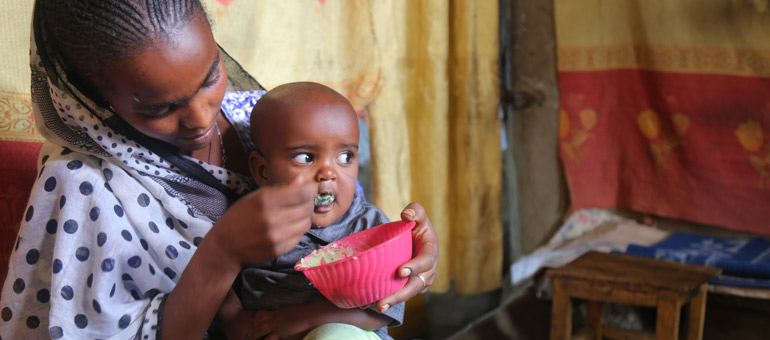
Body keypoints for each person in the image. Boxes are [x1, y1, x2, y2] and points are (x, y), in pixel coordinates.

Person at [0, 1, 439, 339]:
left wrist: (405, 255)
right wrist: (223, 253)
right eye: (161, 107)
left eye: (211, 76)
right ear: (93, 96)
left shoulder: (256, 116)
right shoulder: (81, 187)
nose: (202, 117)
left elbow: (346, 219)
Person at [219, 82, 401, 340]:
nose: (328, 173)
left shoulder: (369, 227)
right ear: (262, 171)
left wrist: (303, 319)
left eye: (345, 157)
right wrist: (233, 319)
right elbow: (220, 276)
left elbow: (382, 310)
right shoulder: (249, 223)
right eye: (305, 158)